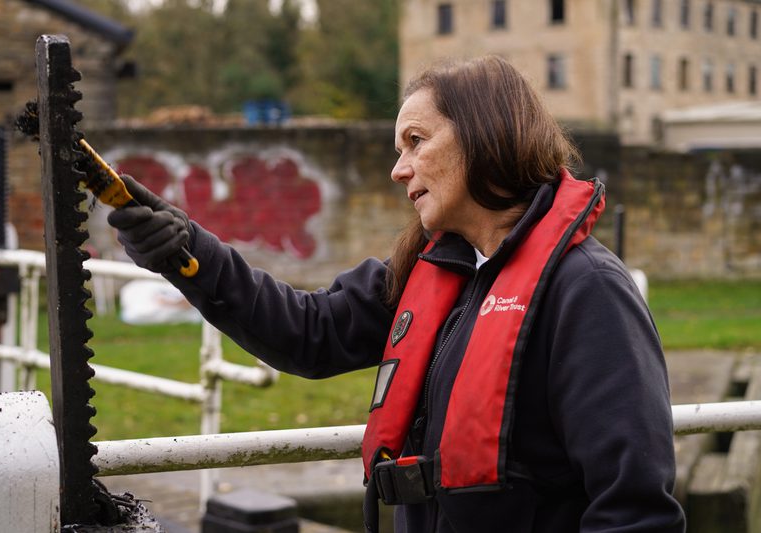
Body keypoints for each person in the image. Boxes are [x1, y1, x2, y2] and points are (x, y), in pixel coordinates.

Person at [107, 55, 686, 532]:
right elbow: (308, 334)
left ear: (486, 136)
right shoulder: (426, 271)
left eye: (415, 142)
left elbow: (633, 511)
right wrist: (187, 254)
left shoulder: (588, 291)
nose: (398, 169)